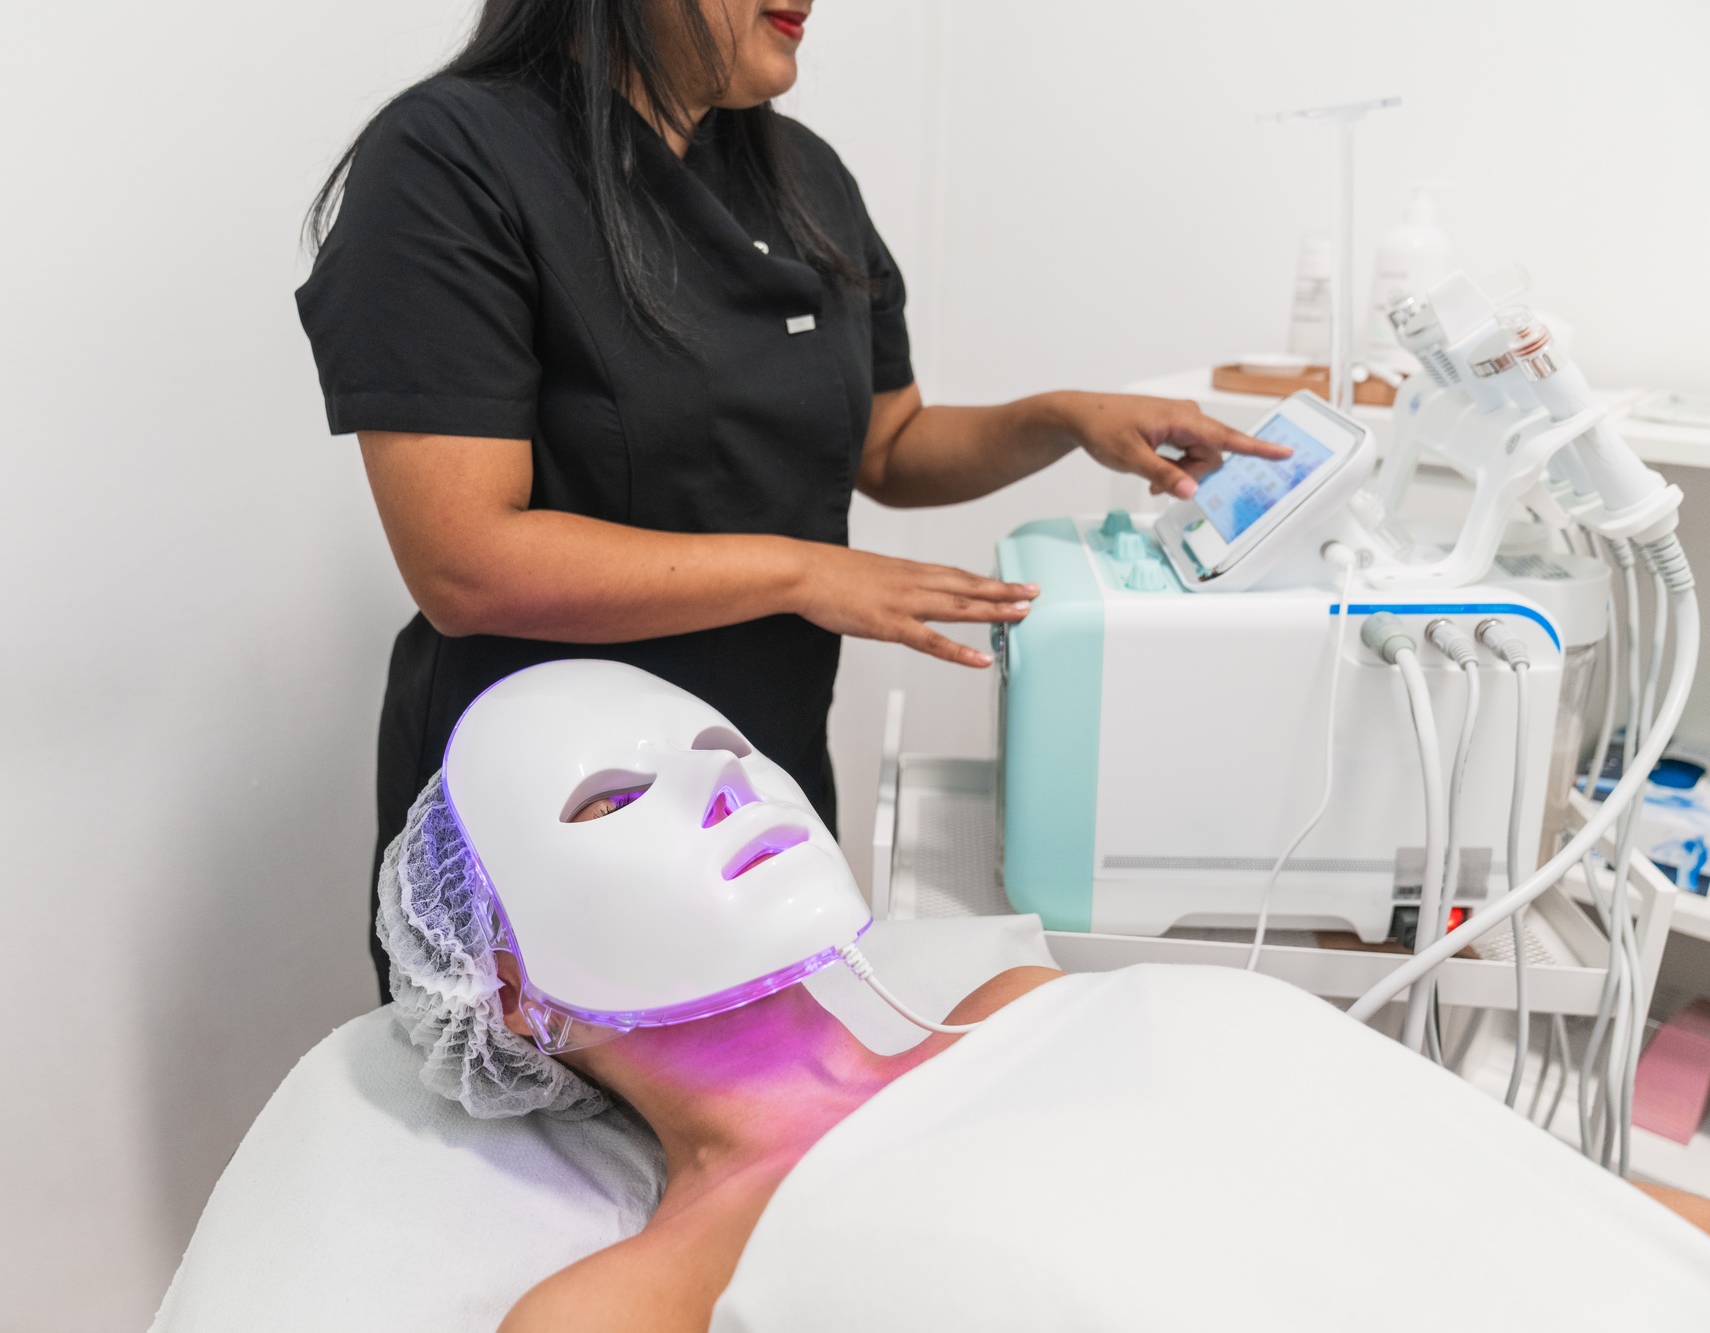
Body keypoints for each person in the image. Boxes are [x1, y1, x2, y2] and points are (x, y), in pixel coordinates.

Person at [295, 0, 1292, 998]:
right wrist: (803, 572)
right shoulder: (452, 158)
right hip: (562, 829)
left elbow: (889, 447)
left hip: (760, 789)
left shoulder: (798, 176)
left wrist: (1060, 418)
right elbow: (466, 563)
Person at [378, 663, 1710, 1333]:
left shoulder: (1027, 995)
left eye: (727, 749)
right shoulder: (634, 1294)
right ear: (507, 992)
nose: (727, 785)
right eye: (610, 799)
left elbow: (1505, 1192)